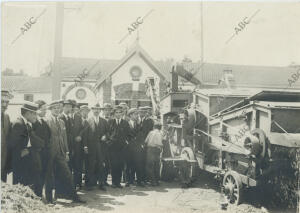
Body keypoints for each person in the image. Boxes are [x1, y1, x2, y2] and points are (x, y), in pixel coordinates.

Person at [46, 100, 85, 203]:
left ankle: (74, 196)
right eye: (55, 108)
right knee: (49, 176)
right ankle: (50, 199)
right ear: (50, 110)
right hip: (49, 153)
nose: (57, 110)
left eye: (58, 108)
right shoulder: (46, 121)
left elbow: (64, 138)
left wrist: (66, 152)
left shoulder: (61, 122)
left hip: (61, 152)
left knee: (67, 174)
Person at [9, 102, 42, 185]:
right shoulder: (18, 124)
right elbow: (13, 145)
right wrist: (23, 152)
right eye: (34, 114)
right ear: (27, 113)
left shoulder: (27, 124)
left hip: (27, 161)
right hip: (21, 164)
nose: (36, 117)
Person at [31, 100, 52, 198]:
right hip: (37, 153)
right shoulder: (33, 122)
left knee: (43, 173)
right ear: (38, 110)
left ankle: (39, 194)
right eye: (43, 109)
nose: (45, 111)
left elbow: (48, 136)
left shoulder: (43, 121)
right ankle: (36, 195)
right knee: (36, 174)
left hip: (45, 153)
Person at [86, 103, 108, 191]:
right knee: (90, 165)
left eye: (98, 109)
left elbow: (108, 132)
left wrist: (105, 136)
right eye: (95, 109)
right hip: (91, 146)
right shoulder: (88, 121)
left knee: (101, 165)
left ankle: (101, 183)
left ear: (100, 110)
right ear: (92, 110)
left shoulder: (104, 121)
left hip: (101, 147)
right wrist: (86, 146)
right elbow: (85, 135)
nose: (96, 111)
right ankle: (90, 184)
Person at [108, 105, 131, 188]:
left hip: (122, 148)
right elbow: (107, 133)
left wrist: (127, 141)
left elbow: (129, 134)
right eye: (116, 112)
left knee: (120, 165)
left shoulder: (125, 123)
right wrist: (109, 141)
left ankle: (118, 182)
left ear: (122, 113)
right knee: (113, 165)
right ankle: (114, 182)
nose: (118, 114)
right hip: (112, 148)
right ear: (114, 114)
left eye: (119, 112)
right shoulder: (110, 122)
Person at [136, 106, 154, 184]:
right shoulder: (136, 120)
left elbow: (149, 133)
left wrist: (144, 143)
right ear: (138, 112)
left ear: (145, 113)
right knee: (138, 162)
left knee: (144, 162)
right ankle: (138, 179)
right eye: (140, 112)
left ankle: (144, 179)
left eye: (143, 112)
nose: (142, 113)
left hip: (145, 144)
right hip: (137, 145)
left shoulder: (149, 121)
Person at [145, 121, 163, 186]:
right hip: (157, 150)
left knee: (150, 166)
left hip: (150, 149)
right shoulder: (161, 133)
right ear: (160, 127)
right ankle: (157, 181)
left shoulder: (151, 132)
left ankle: (152, 181)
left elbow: (146, 141)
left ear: (154, 127)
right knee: (156, 166)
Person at [125, 108, 140, 187]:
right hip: (128, 148)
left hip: (136, 148)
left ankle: (132, 180)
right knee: (128, 165)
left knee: (134, 164)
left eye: (137, 114)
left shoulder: (138, 124)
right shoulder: (126, 124)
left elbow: (139, 135)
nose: (137, 116)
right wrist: (127, 142)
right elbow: (124, 135)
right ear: (130, 115)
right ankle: (127, 180)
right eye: (135, 114)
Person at [1, 90, 12, 182]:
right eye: (2, 101)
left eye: (7, 102)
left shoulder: (6, 117)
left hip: (3, 164)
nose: (5, 105)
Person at [101, 103, 113, 186]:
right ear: (103, 111)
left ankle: (105, 180)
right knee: (101, 162)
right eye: (105, 110)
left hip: (111, 145)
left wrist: (110, 140)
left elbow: (114, 132)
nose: (107, 111)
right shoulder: (100, 120)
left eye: (109, 110)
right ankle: (100, 180)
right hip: (102, 145)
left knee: (108, 163)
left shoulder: (113, 120)